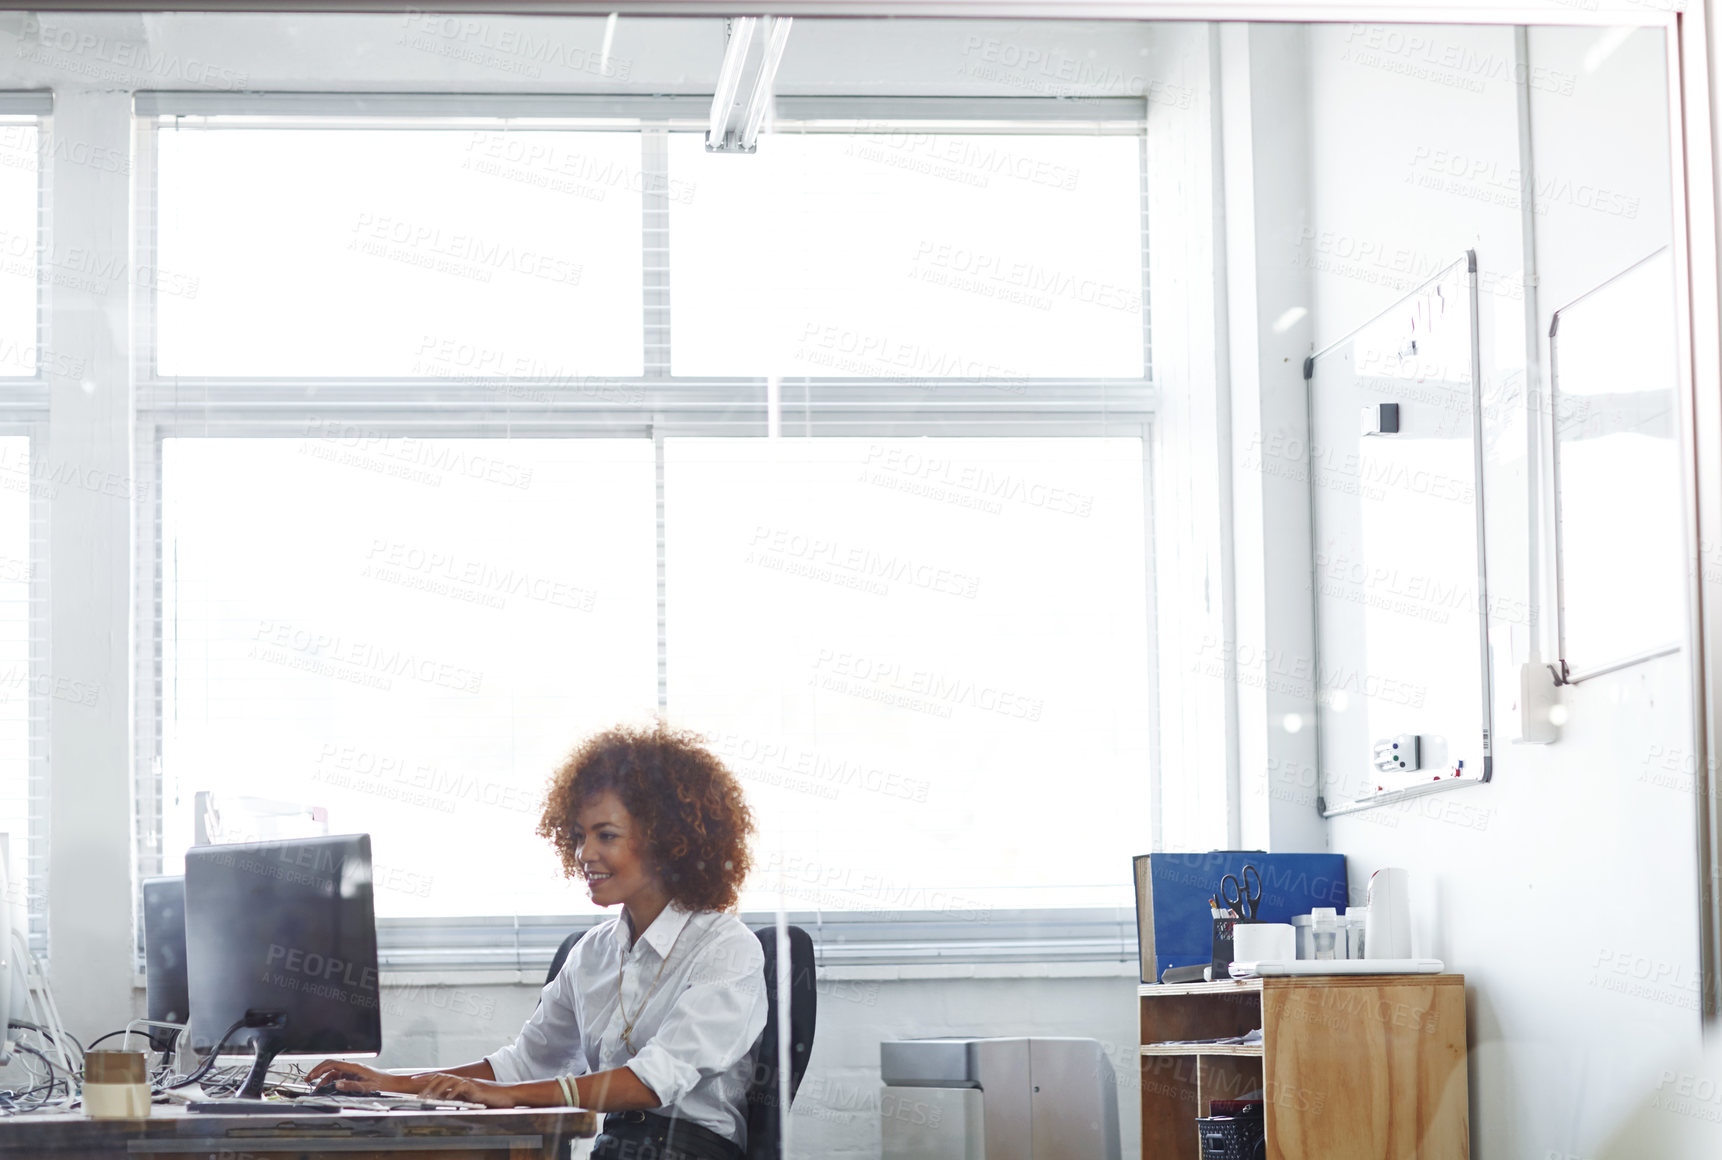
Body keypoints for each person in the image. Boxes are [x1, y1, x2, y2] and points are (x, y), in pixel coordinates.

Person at [309, 723, 768, 1160]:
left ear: (669, 841)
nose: (584, 854)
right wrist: (391, 1082)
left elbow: (651, 1081)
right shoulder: (591, 953)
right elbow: (524, 1064)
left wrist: (504, 1096)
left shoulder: (727, 947)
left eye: (605, 835)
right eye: (577, 836)